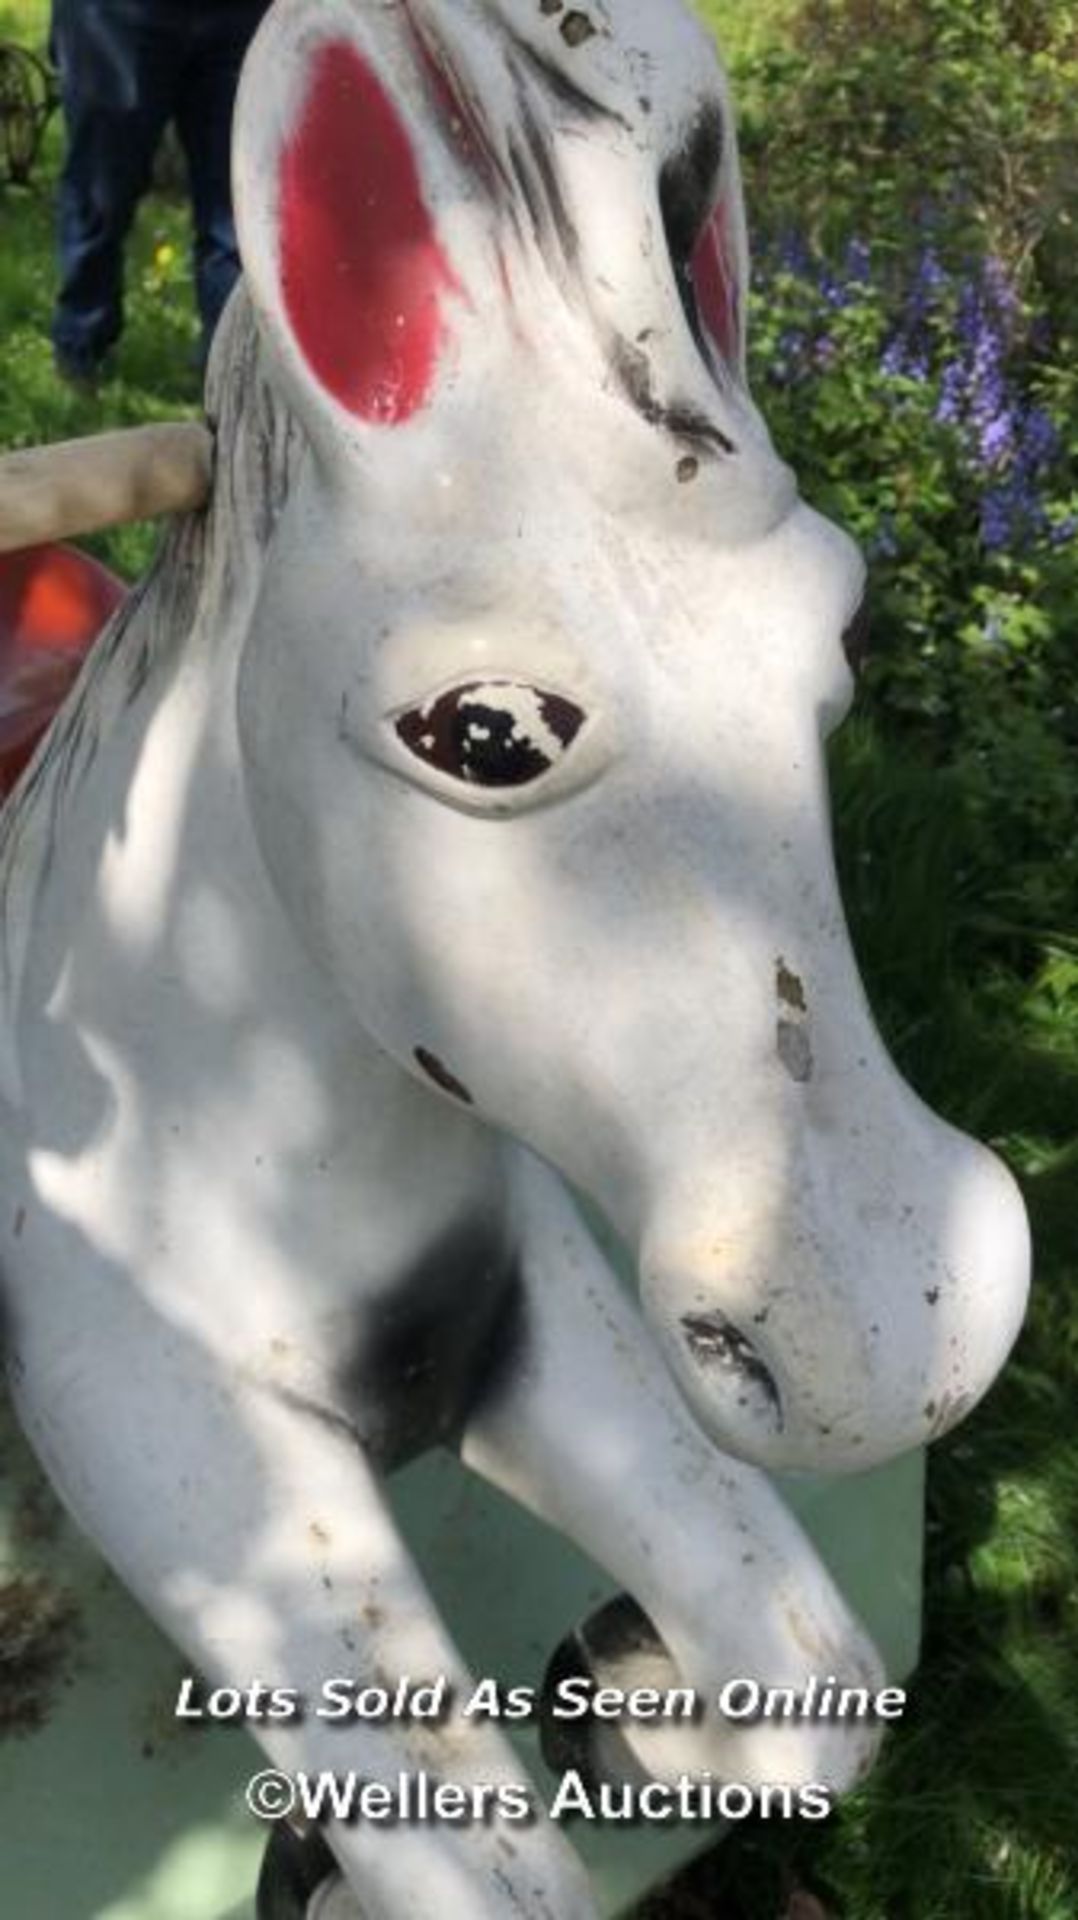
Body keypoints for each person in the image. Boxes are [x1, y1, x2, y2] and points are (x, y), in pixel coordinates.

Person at [49, 0, 272, 388]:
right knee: (101, 193)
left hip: (243, 17)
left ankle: (234, 377)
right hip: (113, 17)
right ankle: (80, 347)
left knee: (242, 211)